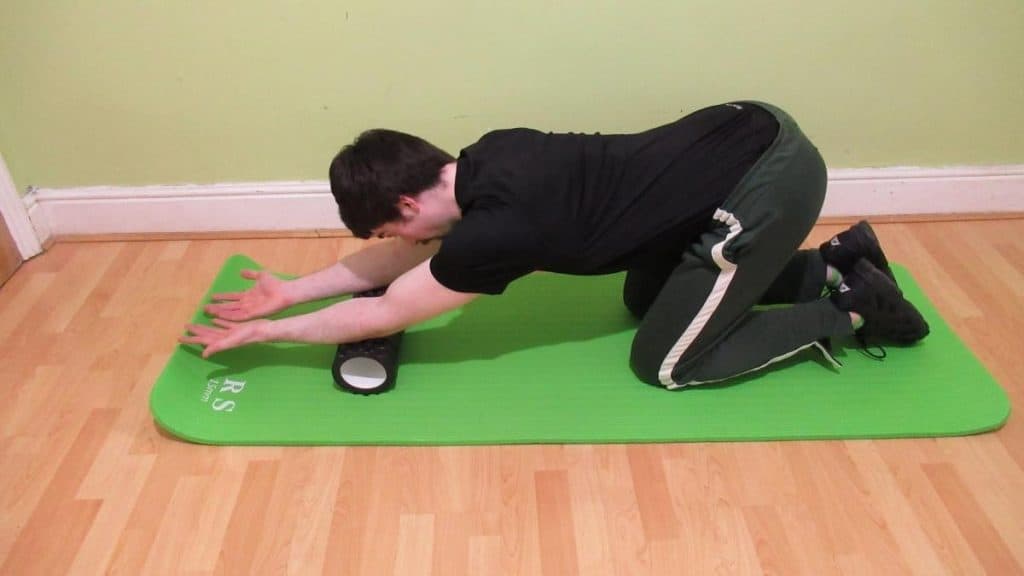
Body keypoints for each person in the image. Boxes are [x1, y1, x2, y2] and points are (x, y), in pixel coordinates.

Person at [181, 101, 929, 388]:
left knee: (666, 361)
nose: (397, 244)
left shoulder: (495, 233)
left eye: (391, 227)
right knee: (647, 297)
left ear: (409, 202)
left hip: (764, 186)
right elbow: (404, 258)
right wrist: (292, 289)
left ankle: (858, 309)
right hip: (749, 127)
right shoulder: (487, 156)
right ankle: (835, 263)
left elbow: (381, 314)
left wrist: (273, 331)